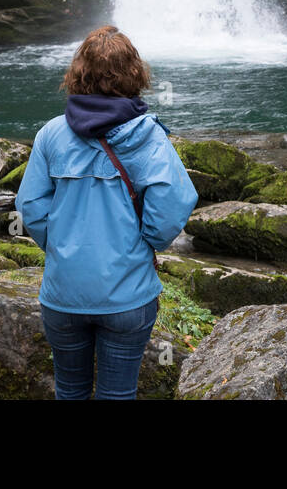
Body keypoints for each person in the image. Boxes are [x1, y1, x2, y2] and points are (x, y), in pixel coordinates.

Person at [16, 24, 198, 399]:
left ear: (77, 74)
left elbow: (30, 207)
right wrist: (146, 243)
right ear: (136, 73)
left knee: (69, 391)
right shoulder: (149, 136)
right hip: (127, 296)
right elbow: (174, 204)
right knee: (118, 394)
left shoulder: (51, 133)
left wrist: (63, 247)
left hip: (63, 295)